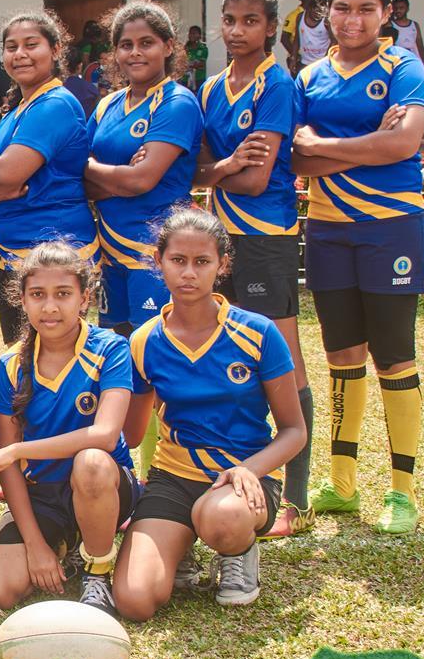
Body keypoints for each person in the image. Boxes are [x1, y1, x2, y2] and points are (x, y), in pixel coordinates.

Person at [292, 0, 424, 535]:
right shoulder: (308, 77)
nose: (352, 19)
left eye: (365, 8)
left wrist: (326, 144)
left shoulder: (404, 66)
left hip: (391, 227)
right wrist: (372, 142)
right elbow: (295, 159)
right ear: (328, 12)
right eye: (342, 8)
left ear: (385, 12)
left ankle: (402, 492)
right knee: (342, 355)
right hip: (327, 228)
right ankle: (343, 484)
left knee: (394, 355)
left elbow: (407, 143)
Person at [113, 209, 306, 618]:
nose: (189, 273)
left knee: (220, 517)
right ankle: (179, 546)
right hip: (173, 479)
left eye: (202, 262)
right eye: (177, 260)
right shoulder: (144, 340)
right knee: (135, 601)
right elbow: (129, 435)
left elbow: (293, 431)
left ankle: (239, 551)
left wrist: (249, 470)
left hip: (242, 481)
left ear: (222, 265)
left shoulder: (257, 332)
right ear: (158, 261)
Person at [194, 0, 314, 539]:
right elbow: (197, 172)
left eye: (251, 22)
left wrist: (222, 170)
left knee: (283, 355)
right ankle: (231, 471)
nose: (238, 31)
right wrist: (223, 167)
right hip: (220, 238)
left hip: (266, 236)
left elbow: (259, 176)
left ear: (271, 27)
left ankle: (296, 496)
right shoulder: (213, 88)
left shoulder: (278, 85)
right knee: (228, 349)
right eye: (231, 20)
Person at [0, 242, 138, 614]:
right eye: (38, 295)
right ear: (22, 299)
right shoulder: (12, 365)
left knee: (91, 462)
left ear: (84, 298)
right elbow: (10, 471)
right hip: (42, 495)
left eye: (63, 294)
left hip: (104, 482)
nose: (50, 307)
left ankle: (97, 569)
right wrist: (34, 544)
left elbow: (105, 435)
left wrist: (18, 449)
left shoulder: (110, 348)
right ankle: (65, 542)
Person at [83, 0, 204, 338]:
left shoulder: (176, 103)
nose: (135, 53)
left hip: (154, 254)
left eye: (146, 43)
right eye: (126, 45)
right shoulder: (108, 104)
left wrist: (112, 173)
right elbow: (82, 180)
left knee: (155, 356)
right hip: (109, 254)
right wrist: (120, 176)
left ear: (168, 47)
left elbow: (141, 179)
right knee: (118, 354)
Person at [0, 10, 97, 346]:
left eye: (32, 45)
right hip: (13, 259)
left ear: (56, 49)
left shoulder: (55, 104)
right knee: (21, 364)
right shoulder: (15, 111)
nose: (20, 54)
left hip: (55, 259)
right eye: (11, 47)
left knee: (58, 363)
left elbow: (0, 177)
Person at [280, 0, 319, 69]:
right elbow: (284, 38)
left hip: (313, 59)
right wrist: (295, 56)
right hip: (299, 60)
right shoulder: (294, 16)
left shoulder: (316, 15)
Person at [294, 0, 332, 71]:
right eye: (316, 12)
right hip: (305, 63)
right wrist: (293, 57)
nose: (319, 15)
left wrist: (325, 60)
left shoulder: (327, 20)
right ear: (309, 8)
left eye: (321, 12)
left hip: (322, 64)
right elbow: (297, 39)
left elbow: (334, 41)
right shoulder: (300, 17)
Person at [390, 0, 424, 64]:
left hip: (414, 60)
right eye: (396, 8)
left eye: (401, 8)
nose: (398, 10)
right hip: (398, 61)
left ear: (407, 9)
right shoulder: (391, 25)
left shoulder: (414, 25)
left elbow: (420, 44)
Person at [183, 25, 208, 89]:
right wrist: (193, 64)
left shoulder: (203, 48)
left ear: (199, 35)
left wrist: (189, 64)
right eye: (190, 33)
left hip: (199, 79)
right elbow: (181, 62)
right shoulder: (185, 48)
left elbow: (202, 64)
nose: (191, 35)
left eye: (194, 33)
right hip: (185, 79)